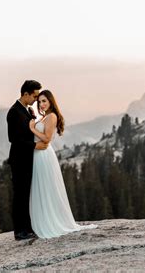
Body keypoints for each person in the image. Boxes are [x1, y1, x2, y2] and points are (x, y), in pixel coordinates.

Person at [29, 90, 98, 239]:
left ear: (51, 102)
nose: (41, 104)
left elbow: (47, 139)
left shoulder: (52, 116)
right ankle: (41, 221)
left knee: (46, 188)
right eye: (39, 101)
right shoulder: (45, 117)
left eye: (44, 101)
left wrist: (33, 128)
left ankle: (50, 222)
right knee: (40, 188)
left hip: (44, 155)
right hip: (38, 155)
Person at [6, 80, 48, 240]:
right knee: (20, 195)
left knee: (27, 194)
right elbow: (13, 139)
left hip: (28, 159)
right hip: (19, 160)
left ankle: (28, 227)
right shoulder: (14, 112)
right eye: (35, 96)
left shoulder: (27, 110)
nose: (36, 100)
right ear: (25, 94)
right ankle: (19, 231)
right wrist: (34, 146)